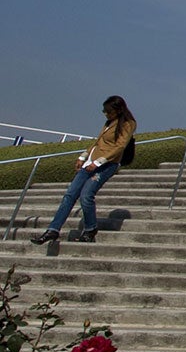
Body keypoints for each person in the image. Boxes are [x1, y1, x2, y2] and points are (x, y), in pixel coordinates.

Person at [31, 97, 139, 245]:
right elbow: (98, 142)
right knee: (70, 195)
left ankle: (90, 229)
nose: (106, 114)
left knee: (86, 196)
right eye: (104, 111)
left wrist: (98, 162)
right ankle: (53, 230)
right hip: (89, 163)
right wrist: (83, 156)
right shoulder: (109, 123)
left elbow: (119, 147)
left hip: (106, 165)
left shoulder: (128, 124)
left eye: (108, 111)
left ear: (119, 110)